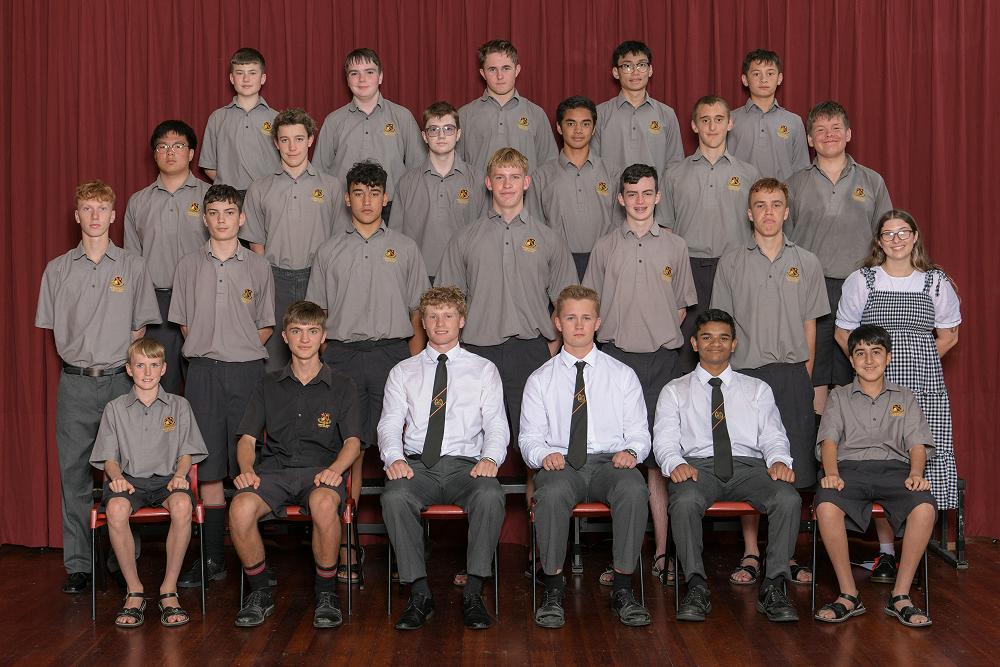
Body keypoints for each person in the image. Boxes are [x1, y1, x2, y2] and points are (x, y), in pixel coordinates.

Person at [35, 180, 161, 594]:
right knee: (73, 474)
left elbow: (140, 329)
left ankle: (122, 558)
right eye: (87, 208)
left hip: (119, 383)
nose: (94, 215)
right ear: (77, 215)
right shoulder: (57, 269)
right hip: (74, 383)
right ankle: (79, 564)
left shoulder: (133, 266)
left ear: (113, 215)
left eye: (101, 208)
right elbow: (53, 328)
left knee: (124, 473)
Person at [306, 161, 429, 582]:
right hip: (342, 355)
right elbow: (318, 316)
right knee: (350, 447)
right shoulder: (328, 250)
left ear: (385, 198)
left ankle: (406, 547)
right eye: (358, 193)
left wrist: (414, 364)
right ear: (347, 198)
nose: (366, 201)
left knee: (401, 444)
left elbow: (417, 313)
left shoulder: (405, 248)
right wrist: (325, 360)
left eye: (374, 193)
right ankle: (347, 542)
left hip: (392, 353)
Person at [711, 177, 828, 585]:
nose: (768, 212)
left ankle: (786, 554)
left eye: (776, 204)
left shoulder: (807, 262)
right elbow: (722, 328)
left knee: (791, 464)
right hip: (746, 377)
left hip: (792, 375)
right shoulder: (731, 262)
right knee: (752, 464)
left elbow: (811, 327)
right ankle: (751, 552)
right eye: (760, 205)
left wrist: (805, 378)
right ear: (749, 213)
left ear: (787, 211)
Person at [583, 163, 696, 586]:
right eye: (632, 194)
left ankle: (664, 552)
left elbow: (681, 307)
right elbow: (591, 306)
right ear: (620, 198)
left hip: (662, 362)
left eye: (647, 193)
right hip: (614, 360)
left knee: (659, 459)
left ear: (658, 196)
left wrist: (654, 331)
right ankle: (623, 558)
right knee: (621, 458)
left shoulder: (676, 246)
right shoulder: (604, 247)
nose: (640, 201)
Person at [834, 210, 960, 581]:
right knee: (882, 457)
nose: (896, 239)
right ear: (879, 241)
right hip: (876, 385)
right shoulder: (863, 279)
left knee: (919, 459)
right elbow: (844, 334)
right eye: (888, 233)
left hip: (922, 385)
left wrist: (919, 361)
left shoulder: (935, 281)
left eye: (903, 232)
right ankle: (887, 552)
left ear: (915, 236)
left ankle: (913, 553)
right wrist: (870, 368)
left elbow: (949, 335)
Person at [653, 308, 801, 622]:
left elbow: (773, 435)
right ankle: (695, 585)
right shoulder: (675, 390)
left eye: (723, 338)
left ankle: (774, 586)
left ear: (734, 344)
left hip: (749, 468)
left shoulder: (757, 389)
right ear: (694, 343)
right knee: (684, 500)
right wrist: (675, 463)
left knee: (788, 497)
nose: (715, 344)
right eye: (707, 337)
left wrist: (778, 461)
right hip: (698, 468)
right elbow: (664, 439)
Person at [437, 147, 578, 472]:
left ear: (526, 182)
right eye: (500, 177)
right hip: (476, 352)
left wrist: (550, 347)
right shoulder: (464, 239)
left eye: (514, 177)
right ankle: (477, 498)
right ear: (488, 183)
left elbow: (568, 302)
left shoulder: (549, 239)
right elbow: (446, 303)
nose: (507, 184)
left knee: (538, 442)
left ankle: (536, 502)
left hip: (530, 351)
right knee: (471, 440)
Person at [521, 285, 652, 629]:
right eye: (570, 318)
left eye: (586, 317)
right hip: (562, 463)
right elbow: (529, 438)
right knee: (550, 493)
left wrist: (632, 452)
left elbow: (640, 432)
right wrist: (544, 454)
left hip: (611, 462)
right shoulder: (540, 379)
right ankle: (553, 588)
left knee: (634, 489)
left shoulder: (622, 375)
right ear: (557, 322)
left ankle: (623, 589)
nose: (578, 325)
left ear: (598, 322)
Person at [378, 286, 509, 630]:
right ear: (423, 321)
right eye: (432, 316)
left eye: (448, 315)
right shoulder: (403, 371)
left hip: (467, 467)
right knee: (394, 496)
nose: (440, 323)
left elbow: (496, 423)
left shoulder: (484, 369)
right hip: (418, 466)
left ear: (461, 320)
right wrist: (394, 457)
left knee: (491, 494)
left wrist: (491, 458)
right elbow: (389, 423)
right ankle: (420, 594)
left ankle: (474, 592)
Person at [229, 300, 362, 629]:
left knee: (324, 504)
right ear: (285, 337)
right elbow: (246, 439)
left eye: (312, 331)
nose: (305, 339)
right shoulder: (267, 384)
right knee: (240, 509)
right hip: (273, 472)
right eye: (297, 331)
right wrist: (247, 470)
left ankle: (326, 595)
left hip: (320, 473)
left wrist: (335, 470)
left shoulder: (343, 385)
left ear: (323, 337)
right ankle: (260, 592)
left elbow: (353, 443)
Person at [169, 184, 276, 588]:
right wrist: (212, 350)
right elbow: (184, 324)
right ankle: (213, 558)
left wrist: (238, 348)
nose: (221, 220)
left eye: (229, 212)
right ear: (204, 218)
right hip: (204, 373)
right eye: (214, 212)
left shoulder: (259, 266)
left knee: (249, 465)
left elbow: (266, 325)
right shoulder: (187, 265)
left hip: (247, 372)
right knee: (210, 466)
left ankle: (255, 562)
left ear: (241, 218)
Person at [814, 324, 936, 627]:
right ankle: (849, 594)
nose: (869, 360)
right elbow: (828, 441)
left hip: (895, 470)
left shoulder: (905, 397)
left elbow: (917, 444)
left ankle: (900, 595)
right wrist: (831, 474)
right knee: (826, 506)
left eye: (876, 352)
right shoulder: (839, 396)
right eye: (860, 353)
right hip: (849, 471)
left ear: (888, 357)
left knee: (924, 508)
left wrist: (916, 473)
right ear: (851, 360)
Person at [89, 337, 208, 627]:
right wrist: (117, 478)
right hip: (129, 481)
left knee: (182, 505)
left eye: (154, 365)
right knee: (116, 509)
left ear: (163, 369)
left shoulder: (179, 406)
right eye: (140, 365)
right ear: (129, 369)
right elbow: (109, 458)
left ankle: (169, 590)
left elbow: (186, 452)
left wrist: (179, 476)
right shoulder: (115, 408)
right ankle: (135, 592)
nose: (147, 372)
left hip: (168, 480)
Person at [786, 101, 893, 415]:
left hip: (860, 288)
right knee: (814, 368)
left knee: (859, 363)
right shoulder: (794, 184)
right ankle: (818, 440)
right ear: (810, 139)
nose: (828, 135)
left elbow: (887, 235)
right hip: (811, 288)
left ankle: (857, 437)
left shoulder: (872, 181)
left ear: (848, 134)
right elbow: (784, 241)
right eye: (820, 130)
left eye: (835, 128)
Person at [240, 108, 349, 371]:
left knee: (322, 352)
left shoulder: (331, 186)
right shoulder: (260, 188)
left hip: (318, 277)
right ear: (276, 143)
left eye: (299, 139)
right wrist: (264, 283)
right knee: (275, 358)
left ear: (310, 140)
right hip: (275, 278)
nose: (292, 147)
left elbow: (339, 242)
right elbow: (256, 243)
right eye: (285, 140)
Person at [661, 95, 761, 372]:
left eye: (718, 119)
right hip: (689, 269)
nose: (712, 126)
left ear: (730, 123)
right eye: (705, 120)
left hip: (735, 266)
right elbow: (666, 231)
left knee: (735, 340)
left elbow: (761, 227)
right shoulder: (674, 174)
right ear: (694, 126)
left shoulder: (749, 173)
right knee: (688, 345)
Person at [124, 120, 211, 393]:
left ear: (191, 153)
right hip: (156, 303)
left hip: (202, 298)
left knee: (204, 384)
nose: (170, 152)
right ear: (154, 154)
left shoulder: (210, 197)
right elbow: (132, 263)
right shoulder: (139, 202)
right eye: (162, 147)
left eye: (178, 146)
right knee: (160, 386)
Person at [315, 48, 425, 214]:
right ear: (347, 80)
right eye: (354, 73)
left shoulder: (402, 117)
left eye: (369, 72)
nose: (362, 79)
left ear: (380, 77)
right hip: (344, 211)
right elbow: (319, 172)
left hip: (393, 210)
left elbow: (418, 169)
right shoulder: (333, 121)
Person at [388, 101, 486, 282]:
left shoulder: (478, 180)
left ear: (458, 134)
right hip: (418, 275)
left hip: (464, 274)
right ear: (424, 136)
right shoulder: (406, 182)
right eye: (433, 129)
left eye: (448, 129)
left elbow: (486, 235)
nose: (441, 135)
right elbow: (395, 238)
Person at [532, 96, 622, 280]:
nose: (578, 130)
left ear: (594, 128)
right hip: (556, 265)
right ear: (559, 127)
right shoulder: (541, 176)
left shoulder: (612, 173)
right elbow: (535, 227)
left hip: (605, 264)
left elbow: (619, 223)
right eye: (571, 123)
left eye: (585, 124)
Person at [457, 39, 558, 173]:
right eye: (492, 69)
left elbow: (549, 166)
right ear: (483, 73)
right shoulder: (464, 115)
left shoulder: (536, 114)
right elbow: (454, 166)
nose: (499, 76)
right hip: (478, 188)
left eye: (506, 68)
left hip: (527, 188)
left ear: (517, 70)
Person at [594, 40, 684, 176]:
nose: (635, 72)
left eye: (641, 65)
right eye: (627, 66)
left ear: (650, 70)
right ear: (616, 72)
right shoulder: (600, 114)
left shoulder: (666, 114)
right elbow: (592, 165)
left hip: (657, 190)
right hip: (612, 190)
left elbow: (675, 165)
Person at [199, 47, 279, 191]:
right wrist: (229, 188)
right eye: (240, 73)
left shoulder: (277, 118)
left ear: (263, 78)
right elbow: (208, 165)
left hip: (269, 194)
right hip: (229, 196)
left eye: (252, 73)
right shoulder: (217, 118)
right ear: (231, 78)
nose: (246, 79)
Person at [728, 49, 809, 181]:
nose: (763, 79)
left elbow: (801, 171)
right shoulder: (729, 120)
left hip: (783, 193)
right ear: (745, 79)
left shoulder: (794, 121)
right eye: (756, 74)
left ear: (779, 78)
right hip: (741, 193)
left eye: (770, 73)